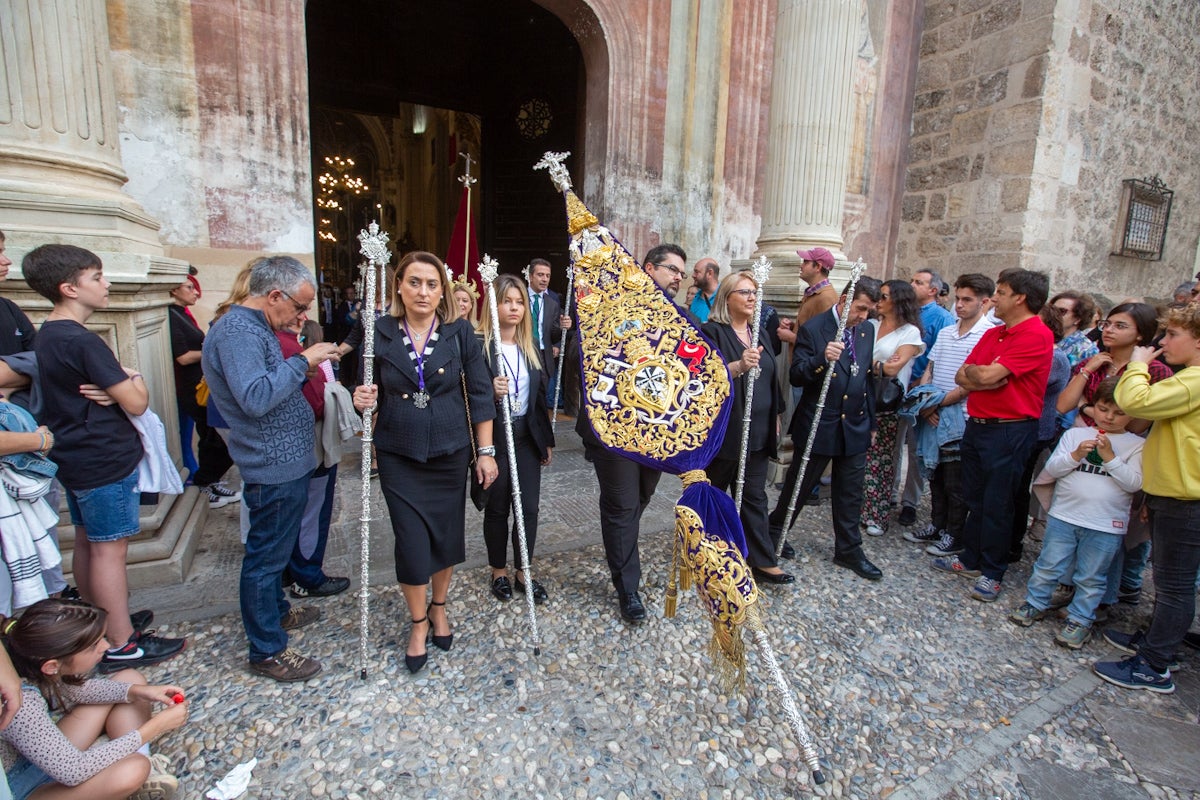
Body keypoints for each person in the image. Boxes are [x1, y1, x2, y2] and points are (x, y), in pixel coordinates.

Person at [24, 244, 186, 672]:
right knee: (109, 551)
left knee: (86, 541)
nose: (107, 284)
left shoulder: (49, 334)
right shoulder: (82, 341)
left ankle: (99, 622)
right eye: (97, 277)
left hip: (76, 454)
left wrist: (120, 389)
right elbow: (135, 401)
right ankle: (121, 643)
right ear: (69, 288)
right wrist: (134, 380)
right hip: (103, 457)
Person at [352, 251, 497, 674]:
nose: (423, 291)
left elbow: (482, 394)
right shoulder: (377, 332)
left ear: (443, 292)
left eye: (432, 284)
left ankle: (439, 607)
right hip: (399, 451)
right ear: (399, 285)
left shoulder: (459, 335)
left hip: (450, 450)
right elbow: (362, 384)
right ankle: (418, 624)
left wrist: (484, 452)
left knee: (445, 536)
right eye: (414, 282)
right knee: (412, 541)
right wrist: (362, 398)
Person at [203, 256, 340, 682]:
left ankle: (276, 613)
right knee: (264, 560)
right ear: (274, 295)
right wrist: (305, 361)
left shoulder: (256, 328)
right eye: (299, 307)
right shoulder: (238, 331)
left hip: (285, 459)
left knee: (276, 553)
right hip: (271, 463)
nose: (302, 317)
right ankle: (266, 650)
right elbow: (256, 397)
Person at [1093, 303, 1200, 693]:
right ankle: (1159, 643)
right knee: (1173, 582)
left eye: (1173, 335)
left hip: (1185, 498)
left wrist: (1137, 364)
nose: (1163, 341)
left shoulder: (1194, 380)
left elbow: (1136, 402)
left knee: (1174, 586)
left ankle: (1155, 665)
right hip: (1172, 492)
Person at [579, 243, 687, 622]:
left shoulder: (680, 317)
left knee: (640, 497)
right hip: (613, 426)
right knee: (624, 504)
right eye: (672, 269)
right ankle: (629, 590)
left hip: (654, 429)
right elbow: (590, 356)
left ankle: (620, 536)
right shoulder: (611, 304)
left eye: (681, 273)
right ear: (648, 267)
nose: (678, 277)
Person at [932, 268, 1053, 603]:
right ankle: (971, 558)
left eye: (1000, 292)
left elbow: (991, 374)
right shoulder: (994, 334)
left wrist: (983, 375)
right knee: (975, 496)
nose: (994, 298)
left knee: (999, 502)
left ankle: (993, 571)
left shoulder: (1036, 334)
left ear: (1020, 298)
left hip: (1011, 428)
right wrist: (980, 376)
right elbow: (965, 374)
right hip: (978, 424)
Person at [0, 598, 187, 800]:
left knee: (130, 680)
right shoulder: (20, 703)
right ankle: (137, 769)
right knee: (133, 770)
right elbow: (73, 770)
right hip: (15, 788)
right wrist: (156, 726)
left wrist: (141, 692)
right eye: (94, 645)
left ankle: (145, 773)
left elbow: (77, 690)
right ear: (51, 665)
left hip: (37, 758)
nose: (106, 646)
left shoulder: (30, 665)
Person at [1008, 377, 1143, 649]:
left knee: (1092, 575)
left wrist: (1110, 458)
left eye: (1119, 413)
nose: (1109, 417)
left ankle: (1081, 618)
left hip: (1106, 523)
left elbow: (1134, 483)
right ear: (1094, 407)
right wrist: (1075, 455)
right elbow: (1052, 470)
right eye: (1104, 409)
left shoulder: (1136, 444)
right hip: (1065, 515)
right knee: (1049, 563)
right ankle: (1035, 602)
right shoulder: (1074, 434)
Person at [767, 278, 884, 581]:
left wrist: (870, 422)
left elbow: (866, 380)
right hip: (821, 423)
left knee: (850, 491)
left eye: (870, 311)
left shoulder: (867, 329)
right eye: (860, 308)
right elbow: (797, 376)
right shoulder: (815, 328)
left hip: (854, 424)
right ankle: (774, 532)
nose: (863, 316)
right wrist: (822, 359)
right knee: (799, 486)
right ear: (845, 300)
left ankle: (848, 549)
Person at [702, 271, 790, 583]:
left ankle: (762, 560)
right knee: (714, 493)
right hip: (726, 430)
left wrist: (776, 415)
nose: (753, 298)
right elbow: (703, 378)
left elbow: (771, 378)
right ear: (728, 298)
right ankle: (707, 553)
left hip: (759, 430)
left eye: (754, 292)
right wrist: (738, 366)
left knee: (754, 495)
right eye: (745, 292)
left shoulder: (758, 333)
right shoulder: (711, 332)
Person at [906, 273, 996, 555]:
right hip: (935, 411)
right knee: (936, 474)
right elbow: (930, 369)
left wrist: (939, 404)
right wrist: (925, 402)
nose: (960, 305)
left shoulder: (988, 334)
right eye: (958, 298)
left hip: (961, 416)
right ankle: (936, 524)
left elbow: (973, 381)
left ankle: (954, 534)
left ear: (984, 302)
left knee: (957, 481)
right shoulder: (947, 332)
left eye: (967, 300)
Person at [479, 274, 554, 603]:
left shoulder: (530, 347)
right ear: (493, 305)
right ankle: (498, 571)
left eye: (519, 301)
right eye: (506, 301)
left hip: (525, 434)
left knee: (529, 507)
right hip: (495, 434)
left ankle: (524, 569)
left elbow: (539, 400)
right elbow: (467, 394)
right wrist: (489, 391)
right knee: (497, 506)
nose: (514, 307)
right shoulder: (480, 347)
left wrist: (546, 440)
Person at [278, 318, 350, 600]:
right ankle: (307, 576)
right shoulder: (291, 349)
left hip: (291, 449)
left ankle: (291, 568)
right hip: (310, 444)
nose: (301, 314)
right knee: (312, 512)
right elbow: (315, 401)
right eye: (298, 306)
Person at [166, 276, 239, 508]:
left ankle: (209, 481)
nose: (196, 293)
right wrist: (213, 352)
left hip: (203, 386)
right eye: (190, 288)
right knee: (214, 440)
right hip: (194, 390)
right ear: (173, 290)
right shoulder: (172, 316)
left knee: (213, 438)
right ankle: (204, 482)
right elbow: (183, 356)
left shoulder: (181, 314)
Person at [860, 279, 924, 537]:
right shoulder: (870, 325)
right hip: (861, 396)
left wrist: (871, 364)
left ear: (899, 301)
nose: (879, 301)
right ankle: (857, 508)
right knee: (859, 455)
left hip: (887, 402)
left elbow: (893, 368)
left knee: (883, 457)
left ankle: (876, 514)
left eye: (884, 296)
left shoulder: (910, 333)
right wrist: (877, 365)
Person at [1009, 304, 1071, 561]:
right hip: (1022, 427)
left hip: (1034, 430)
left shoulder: (1054, 358)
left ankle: (1013, 542)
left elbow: (1017, 383)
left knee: (1018, 486)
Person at [897, 269, 956, 527]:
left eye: (918, 282)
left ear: (933, 290)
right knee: (894, 444)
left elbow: (937, 358)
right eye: (912, 280)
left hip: (919, 389)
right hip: (898, 387)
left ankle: (910, 501)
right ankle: (887, 494)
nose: (912, 285)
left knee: (916, 448)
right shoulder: (904, 313)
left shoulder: (942, 319)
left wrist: (925, 393)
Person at [1055, 302, 1171, 431]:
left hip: (1124, 445)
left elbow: (1136, 427)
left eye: (1120, 326)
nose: (1108, 330)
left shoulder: (1155, 370)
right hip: (1081, 436)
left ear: (1141, 333)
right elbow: (1063, 406)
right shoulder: (1094, 362)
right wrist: (1087, 370)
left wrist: (1085, 408)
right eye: (1106, 324)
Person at [526, 258, 571, 407]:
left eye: (547, 276)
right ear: (530, 276)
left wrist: (563, 326)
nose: (544, 279)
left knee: (541, 400)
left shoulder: (552, 303)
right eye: (540, 275)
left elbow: (553, 333)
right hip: (523, 351)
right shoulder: (519, 298)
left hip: (544, 356)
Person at [1048, 291, 1099, 368]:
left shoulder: (1087, 350)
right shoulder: (1042, 337)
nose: (1053, 314)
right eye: (1051, 309)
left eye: (1062, 311)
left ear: (1078, 318)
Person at [688, 257, 720, 323]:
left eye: (696, 272)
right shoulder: (696, 297)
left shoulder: (726, 296)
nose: (693, 275)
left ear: (709, 273)